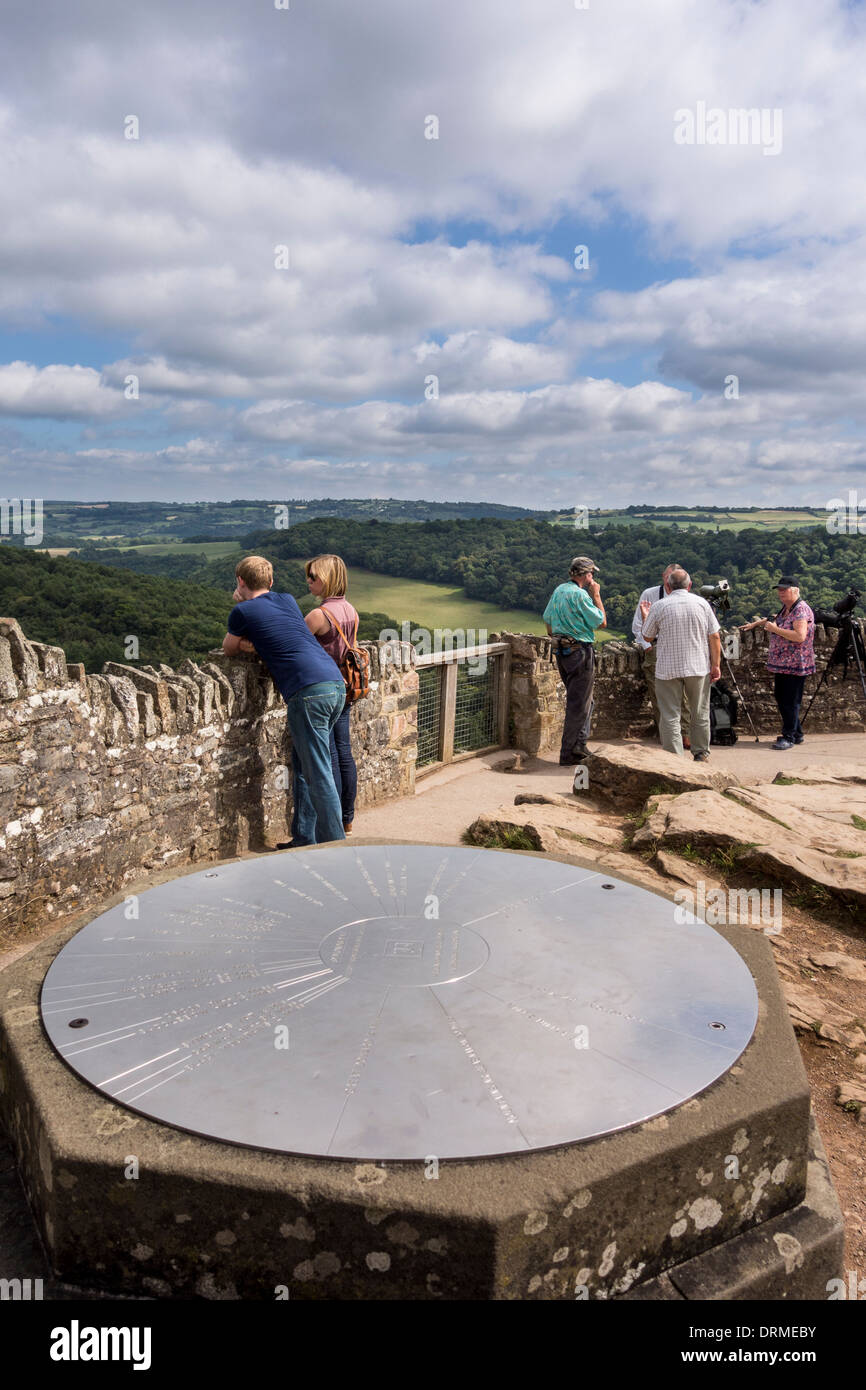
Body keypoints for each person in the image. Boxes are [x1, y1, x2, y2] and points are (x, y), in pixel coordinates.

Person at [222, 555, 346, 846]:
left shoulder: (243, 611)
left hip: (308, 691)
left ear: (240, 581)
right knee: (305, 765)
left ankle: (337, 848)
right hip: (334, 683)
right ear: (271, 581)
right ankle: (305, 837)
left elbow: (228, 648)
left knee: (318, 773)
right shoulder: (288, 599)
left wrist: (240, 607)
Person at [303, 553, 359, 835]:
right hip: (347, 687)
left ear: (326, 580)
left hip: (324, 687)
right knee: (344, 751)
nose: (309, 581)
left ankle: (334, 820)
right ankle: (347, 818)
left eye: (313, 577)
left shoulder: (318, 615)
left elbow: (294, 646)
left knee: (329, 756)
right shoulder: (351, 610)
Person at [640, 568, 721, 760]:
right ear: (690, 585)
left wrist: (646, 615)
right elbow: (715, 636)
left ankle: (674, 759)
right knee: (699, 711)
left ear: (668, 585)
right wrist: (715, 665)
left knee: (670, 715)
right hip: (698, 666)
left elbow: (647, 636)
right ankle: (701, 753)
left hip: (667, 668)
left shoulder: (659, 606)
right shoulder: (702, 604)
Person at [542, 556, 606, 763]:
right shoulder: (581, 595)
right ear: (586, 574)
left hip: (562, 652)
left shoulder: (559, 590)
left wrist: (558, 638)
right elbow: (601, 622)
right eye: (592, 574)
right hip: (580, 651)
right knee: (579, 703)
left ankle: (580, 745)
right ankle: (569, 754)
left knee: (585, 700)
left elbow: (548, 620)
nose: (593, 577)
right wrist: (596, 595)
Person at [740, 577, 815, 750]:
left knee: (790, 700)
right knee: (783, 698)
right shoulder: (788, 608)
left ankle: (788, 736)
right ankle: (797, 733)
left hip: (795, 664)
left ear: (795, 590)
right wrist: (755, 624)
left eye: (784, 589)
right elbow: (775, 618)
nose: (780, 592)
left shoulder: (801, 610)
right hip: (784, 663)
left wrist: (774, 630)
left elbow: (799, 636)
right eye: (779, 589)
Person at [632, 563, 692, 747]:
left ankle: (686, 734)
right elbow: (637, 625)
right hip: (656, 647)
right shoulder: (650, 594)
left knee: (685, 695)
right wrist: (647, 646)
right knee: (659, 694)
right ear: (663, 577)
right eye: (668, 577)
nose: (669, 581)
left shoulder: (686, 598)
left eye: (673, 578)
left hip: (681, 647)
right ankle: (666, 734)